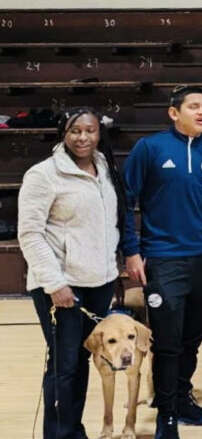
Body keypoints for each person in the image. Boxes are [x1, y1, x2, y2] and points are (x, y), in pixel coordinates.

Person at [122, 86, 202, 439]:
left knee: (194, 336)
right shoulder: (150, 148)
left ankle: (183, 400)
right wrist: (131, 251)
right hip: (163, 259)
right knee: (169, 341)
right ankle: (167, 416)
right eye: (194, 107)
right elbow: (125, 201)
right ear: (174, 113)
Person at [19, 107, 125, 439]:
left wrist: (112, 270)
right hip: (61, 287)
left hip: (99, 283)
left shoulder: (105, 168)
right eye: (75, 131)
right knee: (63, 367)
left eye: (90, 131)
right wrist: (54, 282)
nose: (83, 137)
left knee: (82, 363)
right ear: (63, 134)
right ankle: (59, 434)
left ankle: (74, 431)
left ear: (99, 134)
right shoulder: (43, 174)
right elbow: (30, 233)